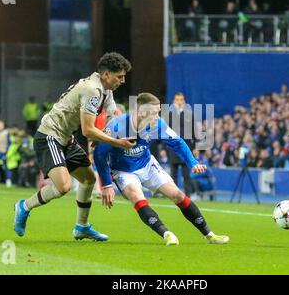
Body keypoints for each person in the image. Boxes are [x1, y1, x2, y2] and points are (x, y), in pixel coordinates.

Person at [13, 52, 135, 241]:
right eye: (120, 76)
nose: (123, 80)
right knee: (63, 187)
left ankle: (81, 227)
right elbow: (87, 130)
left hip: (65, 138)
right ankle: (24, 206)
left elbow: (112, 118)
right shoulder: (93, 90)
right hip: (49, 136)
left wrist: (110, 134)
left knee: (88, 179)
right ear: (106, 75)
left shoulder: (106, 91)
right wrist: (116, 142)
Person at [93, 93, 229, 245]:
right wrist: (106, 185)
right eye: (153, 113)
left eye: (158, 112)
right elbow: (99, 154)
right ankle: (166, 234)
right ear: (140, 112)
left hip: (146, 164)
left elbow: (177, 142)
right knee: (137, 197)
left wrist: (193, 163)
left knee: (177, 194)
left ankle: (209, 235)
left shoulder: (158, 125)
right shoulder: (117, 126)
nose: (157, 117)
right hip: (123, 170)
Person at [167, 92, 195, 197]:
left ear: (184, 101)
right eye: (177, 99)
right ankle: (173, 194)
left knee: (186, 174)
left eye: (181, 99)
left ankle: (188, 195)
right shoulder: (169, 114)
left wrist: (195, 146)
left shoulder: (189, 114)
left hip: (185, 147)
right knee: (173, 174)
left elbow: (194, 131)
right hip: (173, 147)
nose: (179, 102)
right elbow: (164, 130)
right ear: (174, 101)